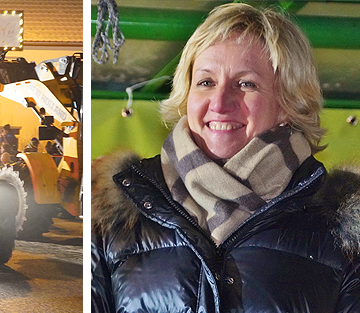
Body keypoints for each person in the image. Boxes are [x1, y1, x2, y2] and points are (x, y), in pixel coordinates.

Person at [92, 3, 360, 312]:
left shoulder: (340, 226)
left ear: (289, 102)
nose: (219, 102)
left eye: (246, 84)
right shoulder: (119, 208)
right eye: (206, 82)